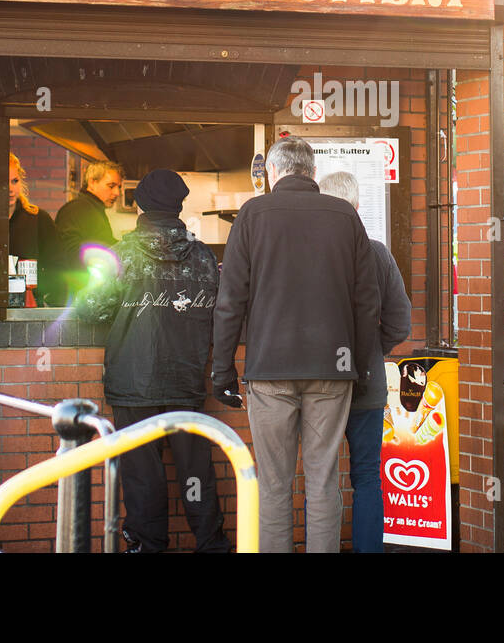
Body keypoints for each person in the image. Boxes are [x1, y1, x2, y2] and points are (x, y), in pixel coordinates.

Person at [212, 135, 381, 553]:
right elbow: (367, 303)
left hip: (269, 370)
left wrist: (222, 370)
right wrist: (357, 367)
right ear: (312, 173)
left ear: (272, 172)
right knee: (323, 480)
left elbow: (229, 300)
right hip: (333, 369)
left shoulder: (252, 214)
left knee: (273, 484)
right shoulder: (344, 216)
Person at [71, 169, 231, 553]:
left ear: (139, 204)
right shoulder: (206, 256)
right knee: (196, 473)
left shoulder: (121, 254)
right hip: (186, 382)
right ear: (178, 206)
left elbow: (90, 310)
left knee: (142, 475)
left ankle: (147, 546)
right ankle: (212, 546)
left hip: (134, 382)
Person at [319, 169, 412, 553]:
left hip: (318, 380)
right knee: (368, 477)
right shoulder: (376, 252)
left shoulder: (309, 253)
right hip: (367, 378)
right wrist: (375, 348)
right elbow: (400, 321)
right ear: (359, 205)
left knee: (320, 477)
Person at [56, 160, 123, 293]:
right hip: (77, 294)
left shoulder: (90, 209)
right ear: (92, 182)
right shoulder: (79, 209)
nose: (117, 193)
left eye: (119, 187)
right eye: (111, 186)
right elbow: (71, 254)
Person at [7, 153, 65, 307]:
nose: (10, 189)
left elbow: (58, 265)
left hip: (31, 307)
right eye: (3, 183)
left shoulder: (38, 218)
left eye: (14, 181)